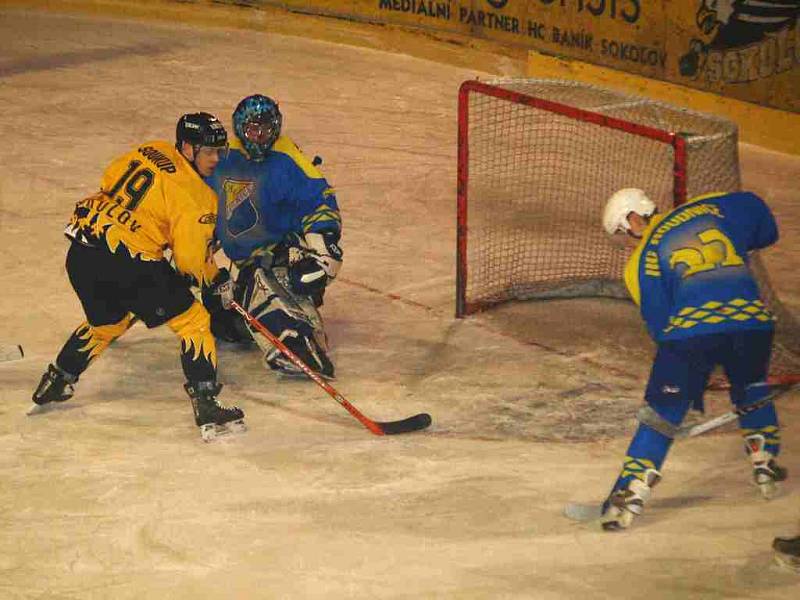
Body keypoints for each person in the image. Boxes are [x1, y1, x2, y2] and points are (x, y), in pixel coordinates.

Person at [30, 113, 246, 442]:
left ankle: (58, 379)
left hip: (83, 252)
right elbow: (189, 264)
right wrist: (215, 281)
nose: (216, 159)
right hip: (131, 263)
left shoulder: (152, 150)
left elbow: (110, 176)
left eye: (220, 151)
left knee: (108, 323)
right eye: (209, 152)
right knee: (194, 321)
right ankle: (207, 403)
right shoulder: (198, 199)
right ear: (188, 148)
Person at [597, 187, 786, 530]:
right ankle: (764, 456)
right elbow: (763, 223)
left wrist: (683, 376)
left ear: (634, 218)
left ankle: (631, 488)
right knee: (751, 383)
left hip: (693, 334)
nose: (628, 240)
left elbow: (661, 325)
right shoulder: (711, 206)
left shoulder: (639, 264)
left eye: (625, 233)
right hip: (753, 323)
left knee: (662, 414)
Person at [205, 94, 342, 379]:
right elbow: (194, 192)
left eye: (266, 129)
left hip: (284, 252)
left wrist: (324, 251)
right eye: (253, 130)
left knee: (263, 282)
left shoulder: (286, 157)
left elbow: (319, 200)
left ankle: (295, 343)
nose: (260, 137)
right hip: (242, 261)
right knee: (220, 317)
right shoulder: (222, 155)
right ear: (239, 128)